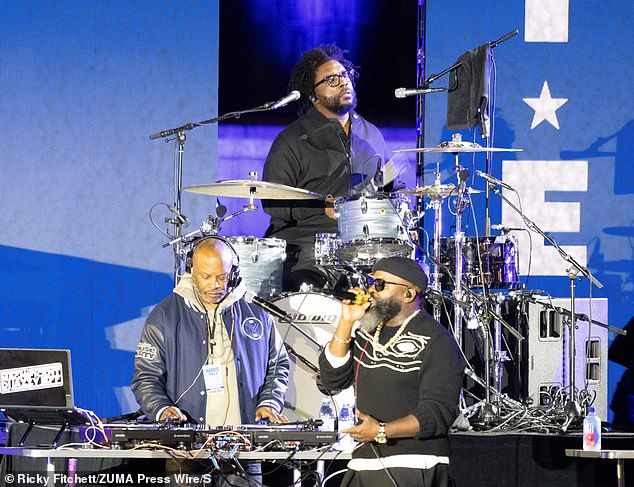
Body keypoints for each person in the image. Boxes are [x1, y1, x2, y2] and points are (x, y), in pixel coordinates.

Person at [131, 236, 289, 485]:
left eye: (222, 276)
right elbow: (145, 377)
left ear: (234, 273)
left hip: (245, 450)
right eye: (206, 276)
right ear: (191, 271)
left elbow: (278, 365)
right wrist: (162, 410)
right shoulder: (164, 315)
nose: (215, 284)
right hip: (187, 452)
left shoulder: (257, 313)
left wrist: (269, 402)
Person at [262, 43, 404, 292]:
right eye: (332, 80)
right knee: (309, 287)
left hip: (363, 244)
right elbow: (273, 201)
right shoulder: (292, 139)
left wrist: (400, 206)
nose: (343, 82)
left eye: (345, 75)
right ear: (312, 94)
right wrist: (322, 208)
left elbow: (391, 183)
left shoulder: (371, 134)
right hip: (306, 242)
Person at [318, 256, 465, 487]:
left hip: (414, 463)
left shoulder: (436, 339)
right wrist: (346, 323)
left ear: (408, 294)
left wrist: (382, 430)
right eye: (371, 283)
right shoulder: (367, 331)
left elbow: (439, 412)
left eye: (380, 285)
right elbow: (331, 380)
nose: (371, 291)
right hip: (364, 462)